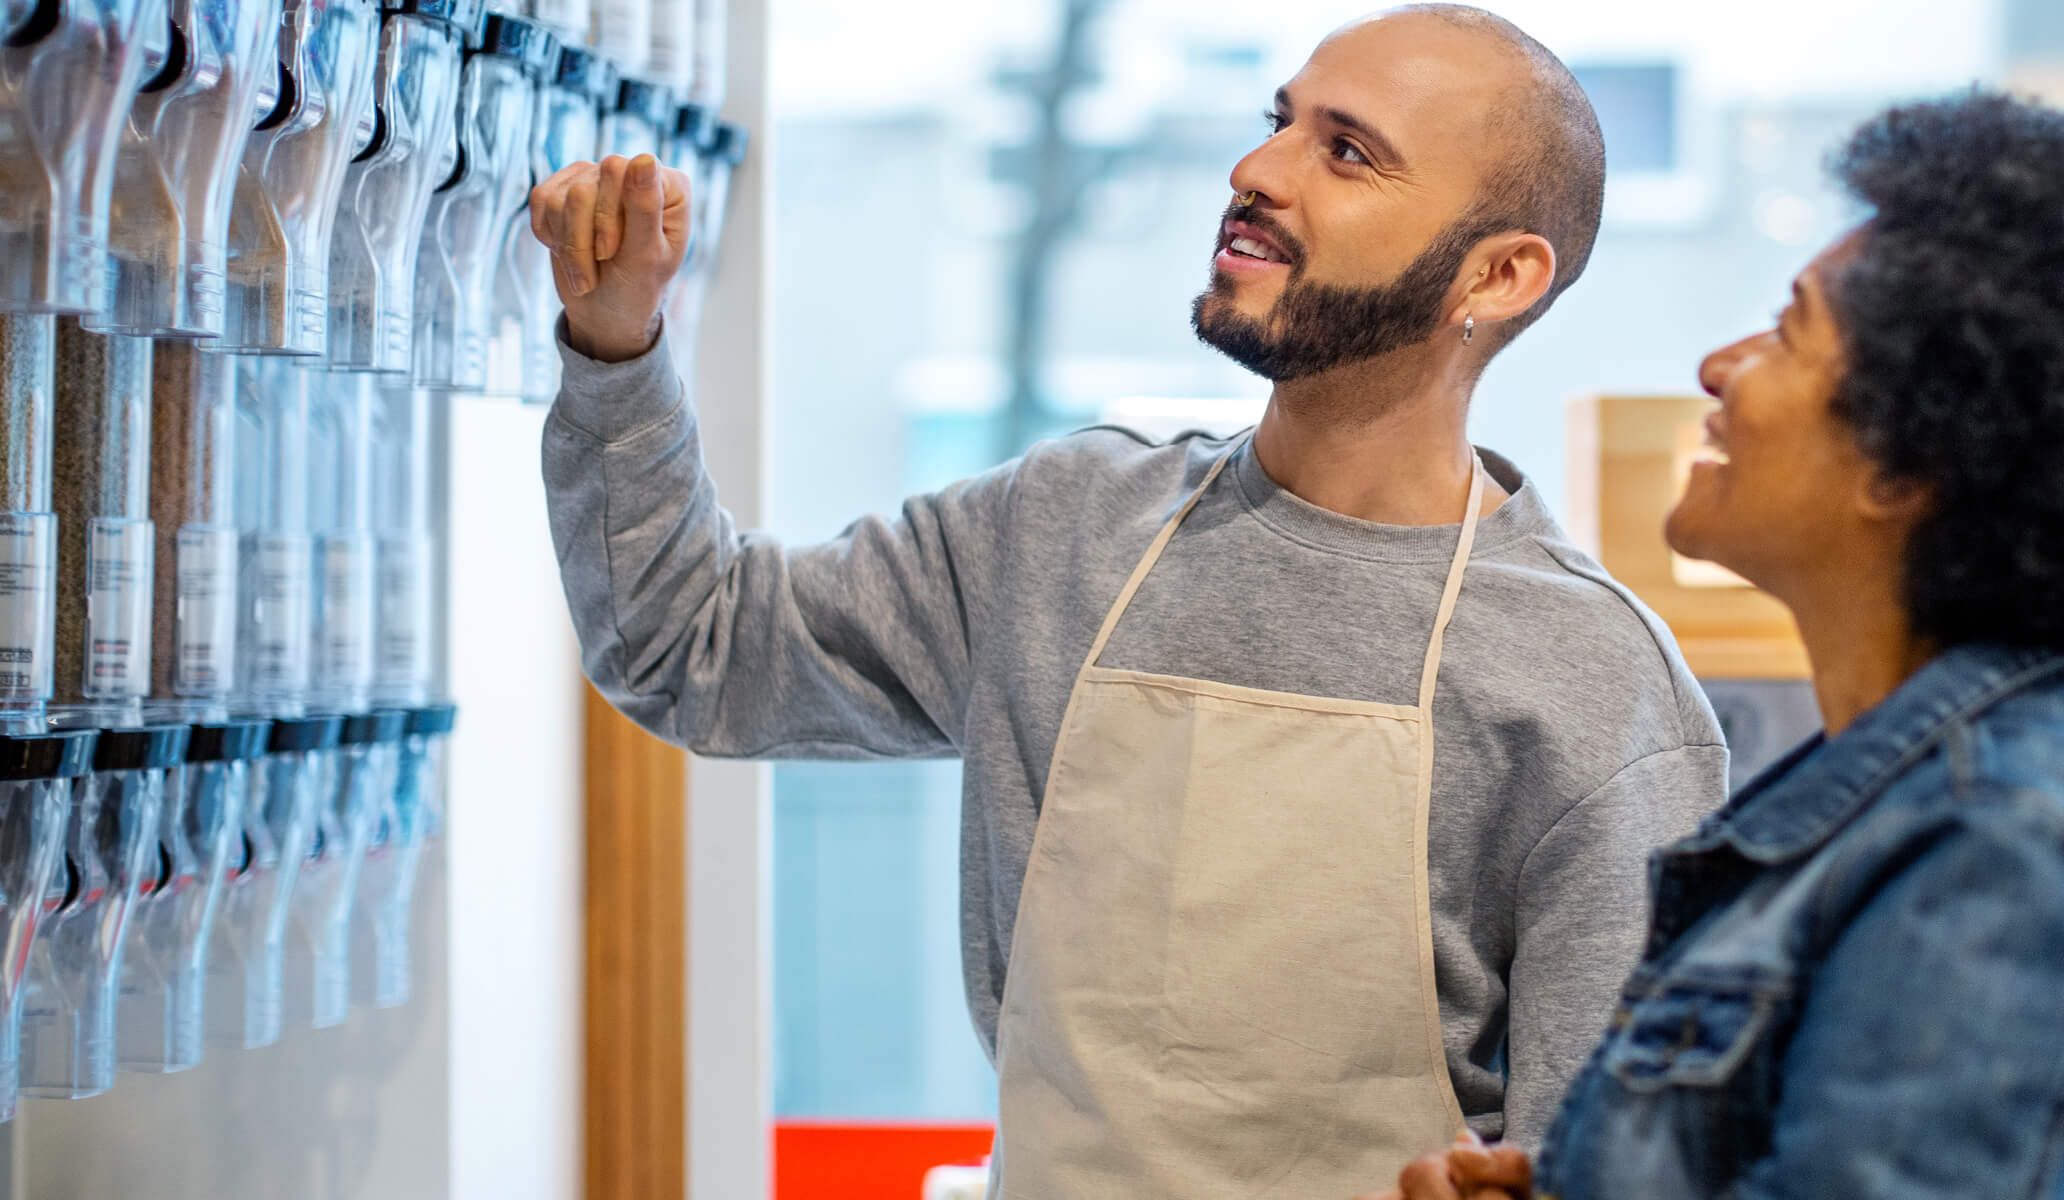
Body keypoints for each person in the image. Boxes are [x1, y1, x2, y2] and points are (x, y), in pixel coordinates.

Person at [529, 6, 1729, 1196]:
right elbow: (687, 644)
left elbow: (1614, 1171)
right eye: (1279, 123)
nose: (1256, 171)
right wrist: (615, 340)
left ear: (1500, 274)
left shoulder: (1596, 683)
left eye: (1347, 151)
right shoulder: (1065, 529)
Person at [1370, 90, 2064, 1200]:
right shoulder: (1920, 802)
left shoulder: (1995, 845)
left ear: (1907, 465)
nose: (1718, 365)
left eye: (1788, 329)